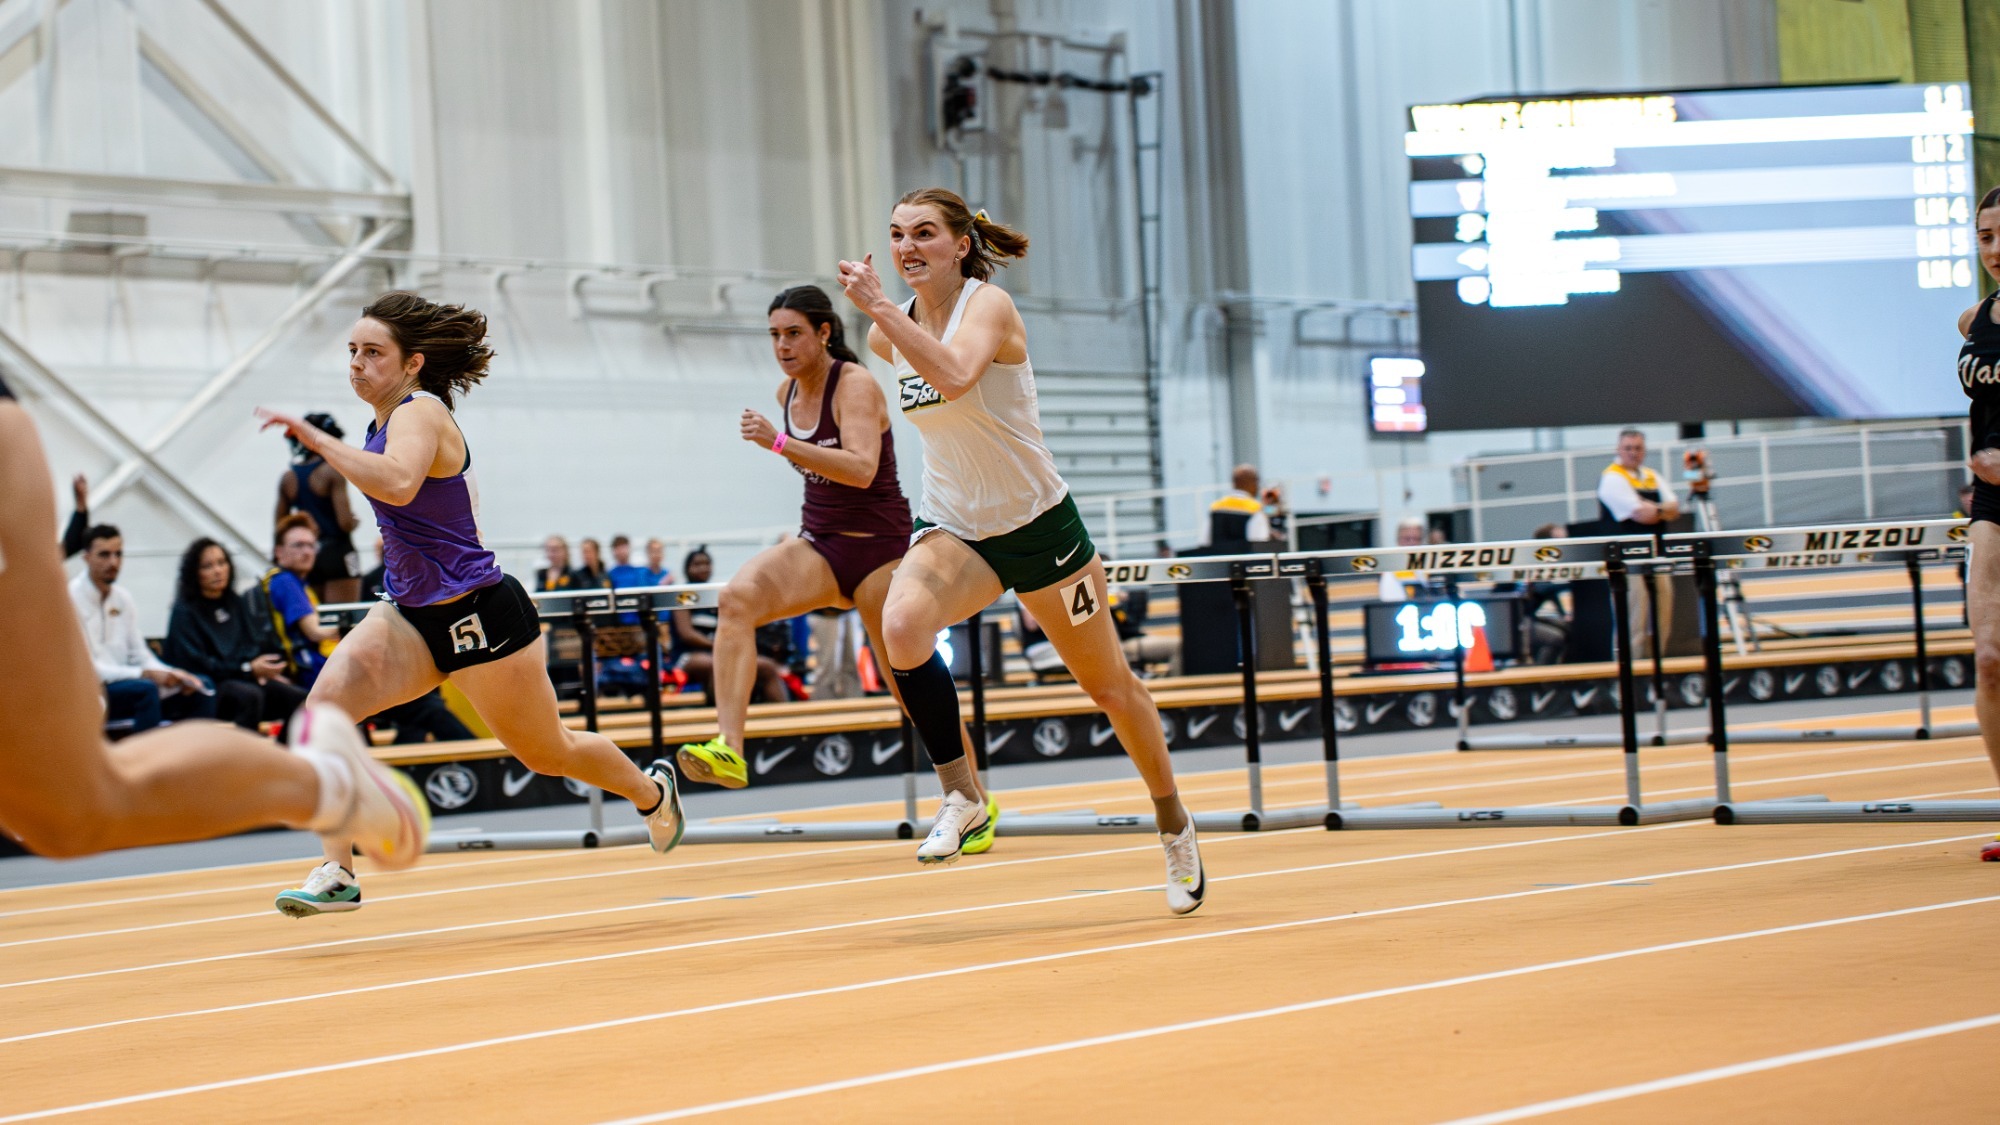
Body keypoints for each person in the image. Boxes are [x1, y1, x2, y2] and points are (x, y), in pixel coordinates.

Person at [256, 291, 685, 917]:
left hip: (478, 614)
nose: (356, 364)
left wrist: (319, 443)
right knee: (323, 715)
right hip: (408, 613)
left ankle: (651, 791)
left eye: (372, 352)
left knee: (546, 752)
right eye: (351, 351)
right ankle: (338, 870)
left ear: (412, 364)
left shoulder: (420, 412)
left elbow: (401, 484)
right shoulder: (382, 423)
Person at [839, 188, 1202, 912]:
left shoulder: (988, 310)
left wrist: (878, 307)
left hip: (1038, 525)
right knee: (903, 627)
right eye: (896, 234)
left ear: (961, 245)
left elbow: (952, 375)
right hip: (955, 526)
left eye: (925, 234)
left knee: (1109, 689)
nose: (908, 246)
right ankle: (963, 795)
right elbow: (908, 370)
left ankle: (1173, 822)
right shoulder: (892, 331)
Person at [0, 370, 426, 866]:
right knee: (54, 818)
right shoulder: (278, 573)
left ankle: (329, 783)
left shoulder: (320, 481)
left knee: (70, 814)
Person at [676, 285, 990, 848]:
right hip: (821, 545)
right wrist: (783, 441)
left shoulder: (857, 384)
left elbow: (862, 468)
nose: (782, 345)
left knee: (910, 687)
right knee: (736, 599)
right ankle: (729, 747)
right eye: (774, 335)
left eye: (793, 333)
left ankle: (975, 803)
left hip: (882, 551)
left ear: (824, 333)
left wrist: (778, 444)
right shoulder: (786, 391)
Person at [1954, 185, 2000, 862]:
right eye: (1987, 236)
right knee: (1990, 659)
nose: (1996, 249)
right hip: (1993, 508)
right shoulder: (1974, 320)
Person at [70, 524, 218, 732]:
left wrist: (172, 673)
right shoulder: (70, 598)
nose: (113, 562)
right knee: (146, 689)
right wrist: (144, 673)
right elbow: (89, 670)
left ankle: (197, 761)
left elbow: (140, 653)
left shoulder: (122, 598)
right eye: (104, 555)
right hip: (92, 690)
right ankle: (144, 761)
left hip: (128, 681)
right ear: (86, 557)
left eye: (118, 554)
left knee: (202, 685)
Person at [164, 537, 307, 731]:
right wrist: (247, 669)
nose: (217, 571)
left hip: (242, 677)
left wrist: (262, 670)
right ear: (194, 573)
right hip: (207, 686)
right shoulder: (184, 612)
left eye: (222, 563)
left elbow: (251, 645)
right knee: (249, 696)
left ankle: (284, 756)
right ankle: (242, 758)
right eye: (208, 566)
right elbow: (197, 663)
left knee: (298, 698)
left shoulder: (235, 602)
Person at [668, 547, 789, 704]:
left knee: (767, 667)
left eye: (707, 563)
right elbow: (687, 634)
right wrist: (718, 645)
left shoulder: (718, 595)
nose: (703, 567)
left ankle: (782, 721)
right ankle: (723, 720)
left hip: (721, 651)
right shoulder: (682, 595)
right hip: (689, 656)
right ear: (687, 568)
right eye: (697, 564)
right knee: (717, 664)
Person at [1598, 428, 1679, 656]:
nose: (1633, 453)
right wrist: (1660, 509)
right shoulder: (1612, 478)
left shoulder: (1651, 475)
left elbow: (1674, 508)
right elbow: (1642, 514)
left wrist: (1655, 509)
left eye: (1638, 448)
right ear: (1619, 449)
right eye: (1628, 448)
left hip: (1656, 554)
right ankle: (1630, 673)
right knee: (1635, 619)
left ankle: (1657, 670)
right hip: (1627, 558)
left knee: (1663, 615)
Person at [276, 412, 362, 604]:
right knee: (344, 620)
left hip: (308, 553)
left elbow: (281, 526)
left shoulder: (289, 478)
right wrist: (354, 522)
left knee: (317, 621)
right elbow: (345, 523)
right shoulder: (332, 471)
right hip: (338, 552)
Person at [261, 513, 338, 690]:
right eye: (299, 545)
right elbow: (315, 632)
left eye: (311, 546)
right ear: (278, 552)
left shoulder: (295, 583)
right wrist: (351, 623)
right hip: (308, 673)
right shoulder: (286, 582)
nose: (307, 552)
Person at [1204, 464, 1283, 545]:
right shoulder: (1255, 509)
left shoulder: (1215, 507)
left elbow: (1206, 541)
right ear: (1253, 482)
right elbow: (1260, 543)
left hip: (1220, 557)